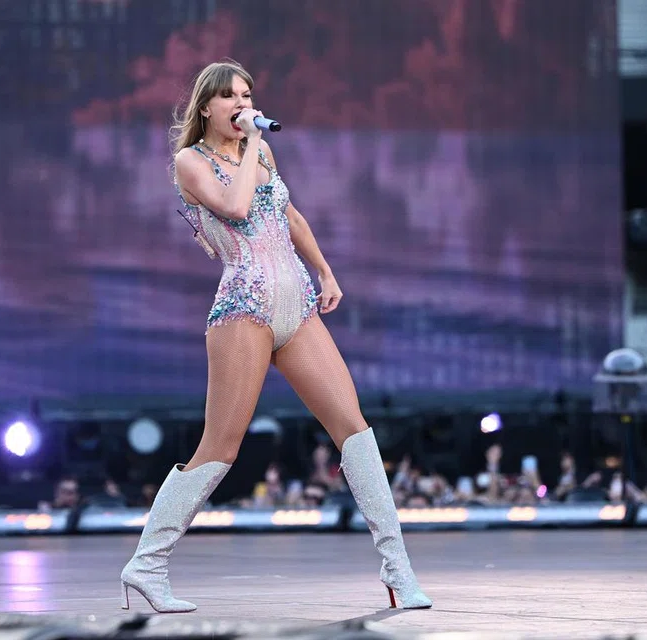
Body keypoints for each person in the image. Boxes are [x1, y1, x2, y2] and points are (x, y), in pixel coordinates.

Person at [119, 60, 431, 613]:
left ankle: (397, 568)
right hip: (245, 308)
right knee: (220, 447)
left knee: (355, 430)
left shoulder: (259, 154)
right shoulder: (192, 162)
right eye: (230, 97)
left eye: (247, 94)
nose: (242, 104)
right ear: (207, 107)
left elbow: (288, 216)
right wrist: (253, 141)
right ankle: (147, 563)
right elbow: (236, 208)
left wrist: (325, 271)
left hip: (296, 306)